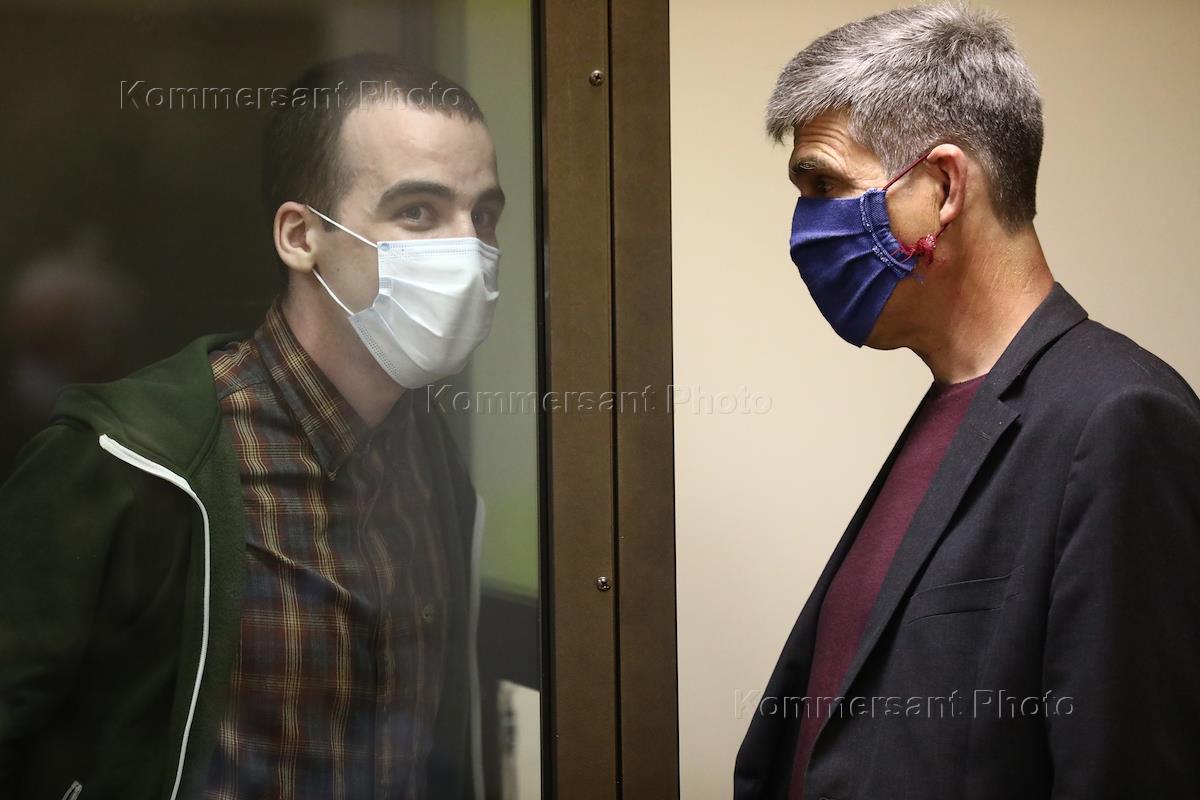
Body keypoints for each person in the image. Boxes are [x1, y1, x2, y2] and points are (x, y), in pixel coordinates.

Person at [0, 52, 505, 800]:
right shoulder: (135, 459)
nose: (467, 251)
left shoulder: (434, 464)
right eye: (418, 212)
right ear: (301, 236)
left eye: (483, 216)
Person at [735, 5, 1200, 799]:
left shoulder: (1120, 419)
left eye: (826, 184)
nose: (805, 228)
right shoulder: (957, 407)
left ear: (945, 187)